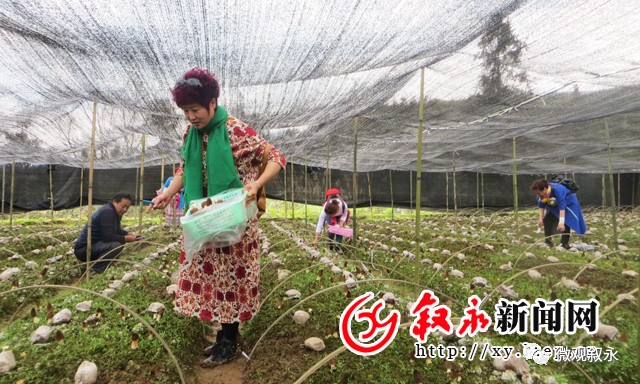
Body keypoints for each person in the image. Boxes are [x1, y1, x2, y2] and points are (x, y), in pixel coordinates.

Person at [147, 68, 285, 368]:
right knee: (212, 278)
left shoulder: (237, 131)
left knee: (231, 280)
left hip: (236, 221)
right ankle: (224, 337)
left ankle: (229, 342)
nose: (190, 117)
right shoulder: (190, 134)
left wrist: (256, 184)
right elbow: (184, 169)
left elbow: (276, 157)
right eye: (185, 111)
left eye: (195, 109)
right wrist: (168, 193)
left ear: (212, 103)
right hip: (206, 219)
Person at [73, 193, 141, 273]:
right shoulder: (107, 212)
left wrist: (130, 234)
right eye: (123, 206)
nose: (125, 209)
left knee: (119, 242)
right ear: (115, 202)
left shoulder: (114, 212)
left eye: (127, 207)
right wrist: (127, 238)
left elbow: (116, 230)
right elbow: (107, 237)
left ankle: (104, 264)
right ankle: (96, 269)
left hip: (94, 246)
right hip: (84, 250)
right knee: (115, 245)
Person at [531, 179, 587, 249]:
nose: (537, 195)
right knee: (547, 219)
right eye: (536, 193)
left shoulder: (558, 190)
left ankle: (564, 244)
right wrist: (540, 219)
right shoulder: (542, 195)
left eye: (538, 193)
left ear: (545, 189)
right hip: (554, 203)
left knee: (566, 221)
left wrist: (561, 222)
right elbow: (541, 206)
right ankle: (548, 242)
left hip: (568, 202)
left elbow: (562, 207)